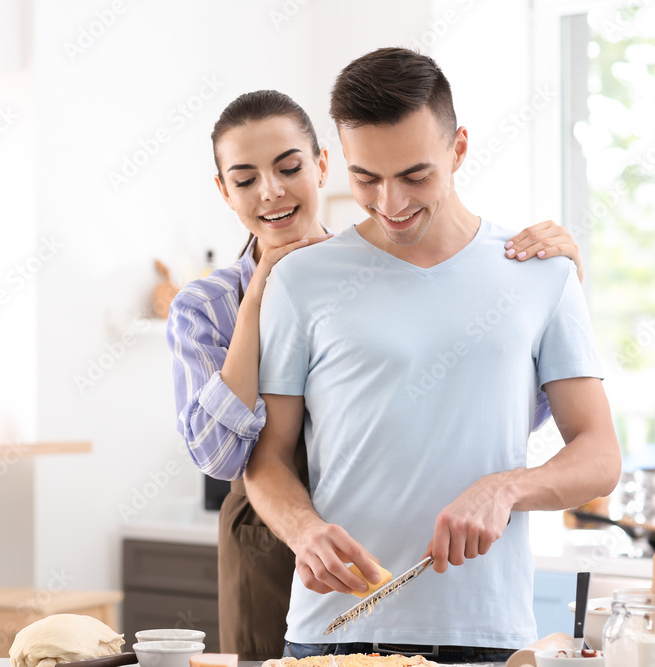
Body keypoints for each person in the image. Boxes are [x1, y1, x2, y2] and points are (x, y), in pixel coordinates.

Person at [166, 90, 587, 661]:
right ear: (224, 191)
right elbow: (223, 459)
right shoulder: (212, 303)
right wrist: (258, 296)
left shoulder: (369, 268)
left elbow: (495, 413)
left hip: (407, 557)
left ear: (321, 167)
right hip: (273, 530)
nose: (271, 191)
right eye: (245, 179)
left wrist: (557, 295)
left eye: (288, 168)